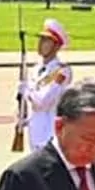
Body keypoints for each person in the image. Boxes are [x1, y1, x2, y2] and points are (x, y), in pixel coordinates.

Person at [19, 18, 73, 151]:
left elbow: (44, 101)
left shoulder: (61, 71)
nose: (40, 44)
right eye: (41, 40)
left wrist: (27, 89)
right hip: (34, 128)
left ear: (56, 46)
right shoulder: (36, 69)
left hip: (49, 130)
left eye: (46, 41)